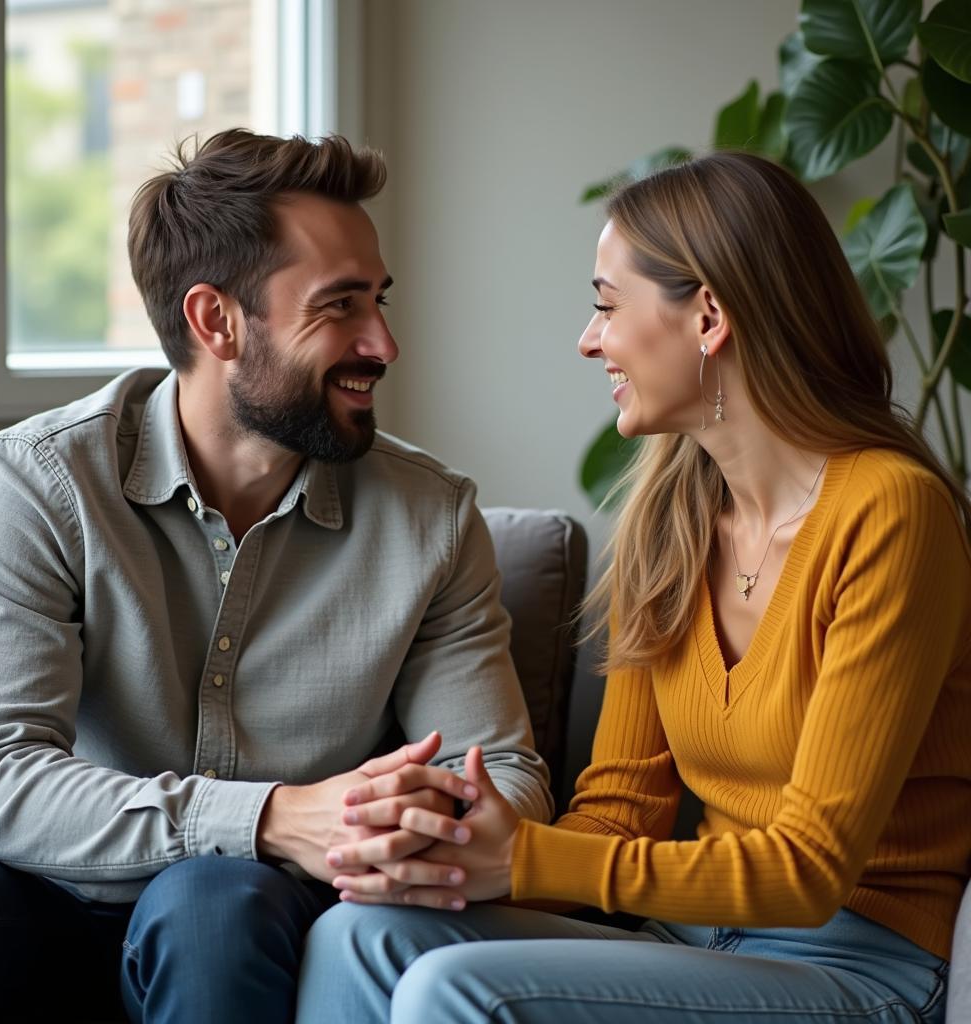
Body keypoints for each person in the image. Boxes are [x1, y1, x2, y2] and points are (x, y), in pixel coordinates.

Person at [295, 151, 971, 1024]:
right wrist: (458, 843)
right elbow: (622, 815)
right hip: (693, 943)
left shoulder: (890, 513)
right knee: (357, 935)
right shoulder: (672, 522)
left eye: (607, 305)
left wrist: (526, 862)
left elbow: (810, 870)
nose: (589, 338)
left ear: (710, 317)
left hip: (855, 961)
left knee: (450, 987)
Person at [0, 128, 552, 1024]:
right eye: (339, 306)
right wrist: (274, 815)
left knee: (212, 902)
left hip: (256, 920)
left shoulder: (431, 515)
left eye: (379, 301)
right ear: (214, 320)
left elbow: (506, 774)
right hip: (44, 895)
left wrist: (397, 818)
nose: (383, 342)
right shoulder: (41, 482)